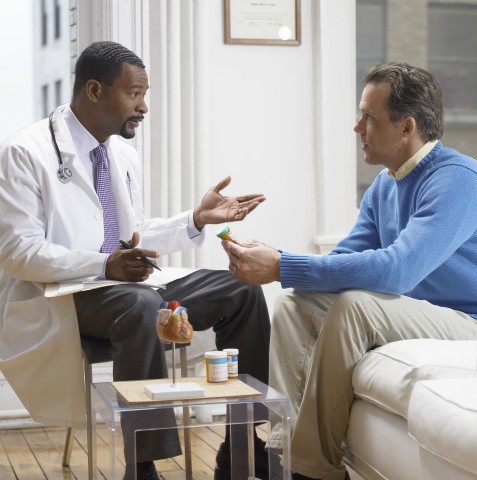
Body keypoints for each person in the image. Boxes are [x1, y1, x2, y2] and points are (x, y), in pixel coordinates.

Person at [0, 41, 278, 480]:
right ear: (94, 91)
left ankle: (243, 441)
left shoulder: (121, 154)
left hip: (125, 288)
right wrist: (104, 265)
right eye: (134, 94)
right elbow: (18, 252)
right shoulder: (25, 152)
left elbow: (134, 235)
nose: (144, 106)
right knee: (143, 309)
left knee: (241, 289)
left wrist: (197, 218)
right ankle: (142, 465)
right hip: (66, 295)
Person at [221, 62, 477, 480]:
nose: (356, 127)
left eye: (369, 117)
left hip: (470, 321)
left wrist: (282, 264)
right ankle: (280, 452)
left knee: (355, 307)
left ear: (405, 126)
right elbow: (341, 261)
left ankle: (312, 471)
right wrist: (272, 260)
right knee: (295, 302)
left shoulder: (458, 180)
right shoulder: (385, 185)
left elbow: (399, 270)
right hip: (416, 316)